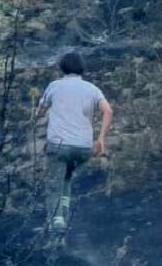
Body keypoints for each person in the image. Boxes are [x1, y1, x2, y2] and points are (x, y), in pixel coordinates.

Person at [37, 52, 113, 230]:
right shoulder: (92, 89)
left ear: (62, 67)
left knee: (54, 183)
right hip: (83, 148)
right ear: (81, 68)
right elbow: (108, 111)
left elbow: (40, 111)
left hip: (59, 146)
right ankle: (64, 213)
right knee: (67, 179)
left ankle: (56, 224)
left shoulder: (54, 86)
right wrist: (101, 139)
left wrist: (38, 115)